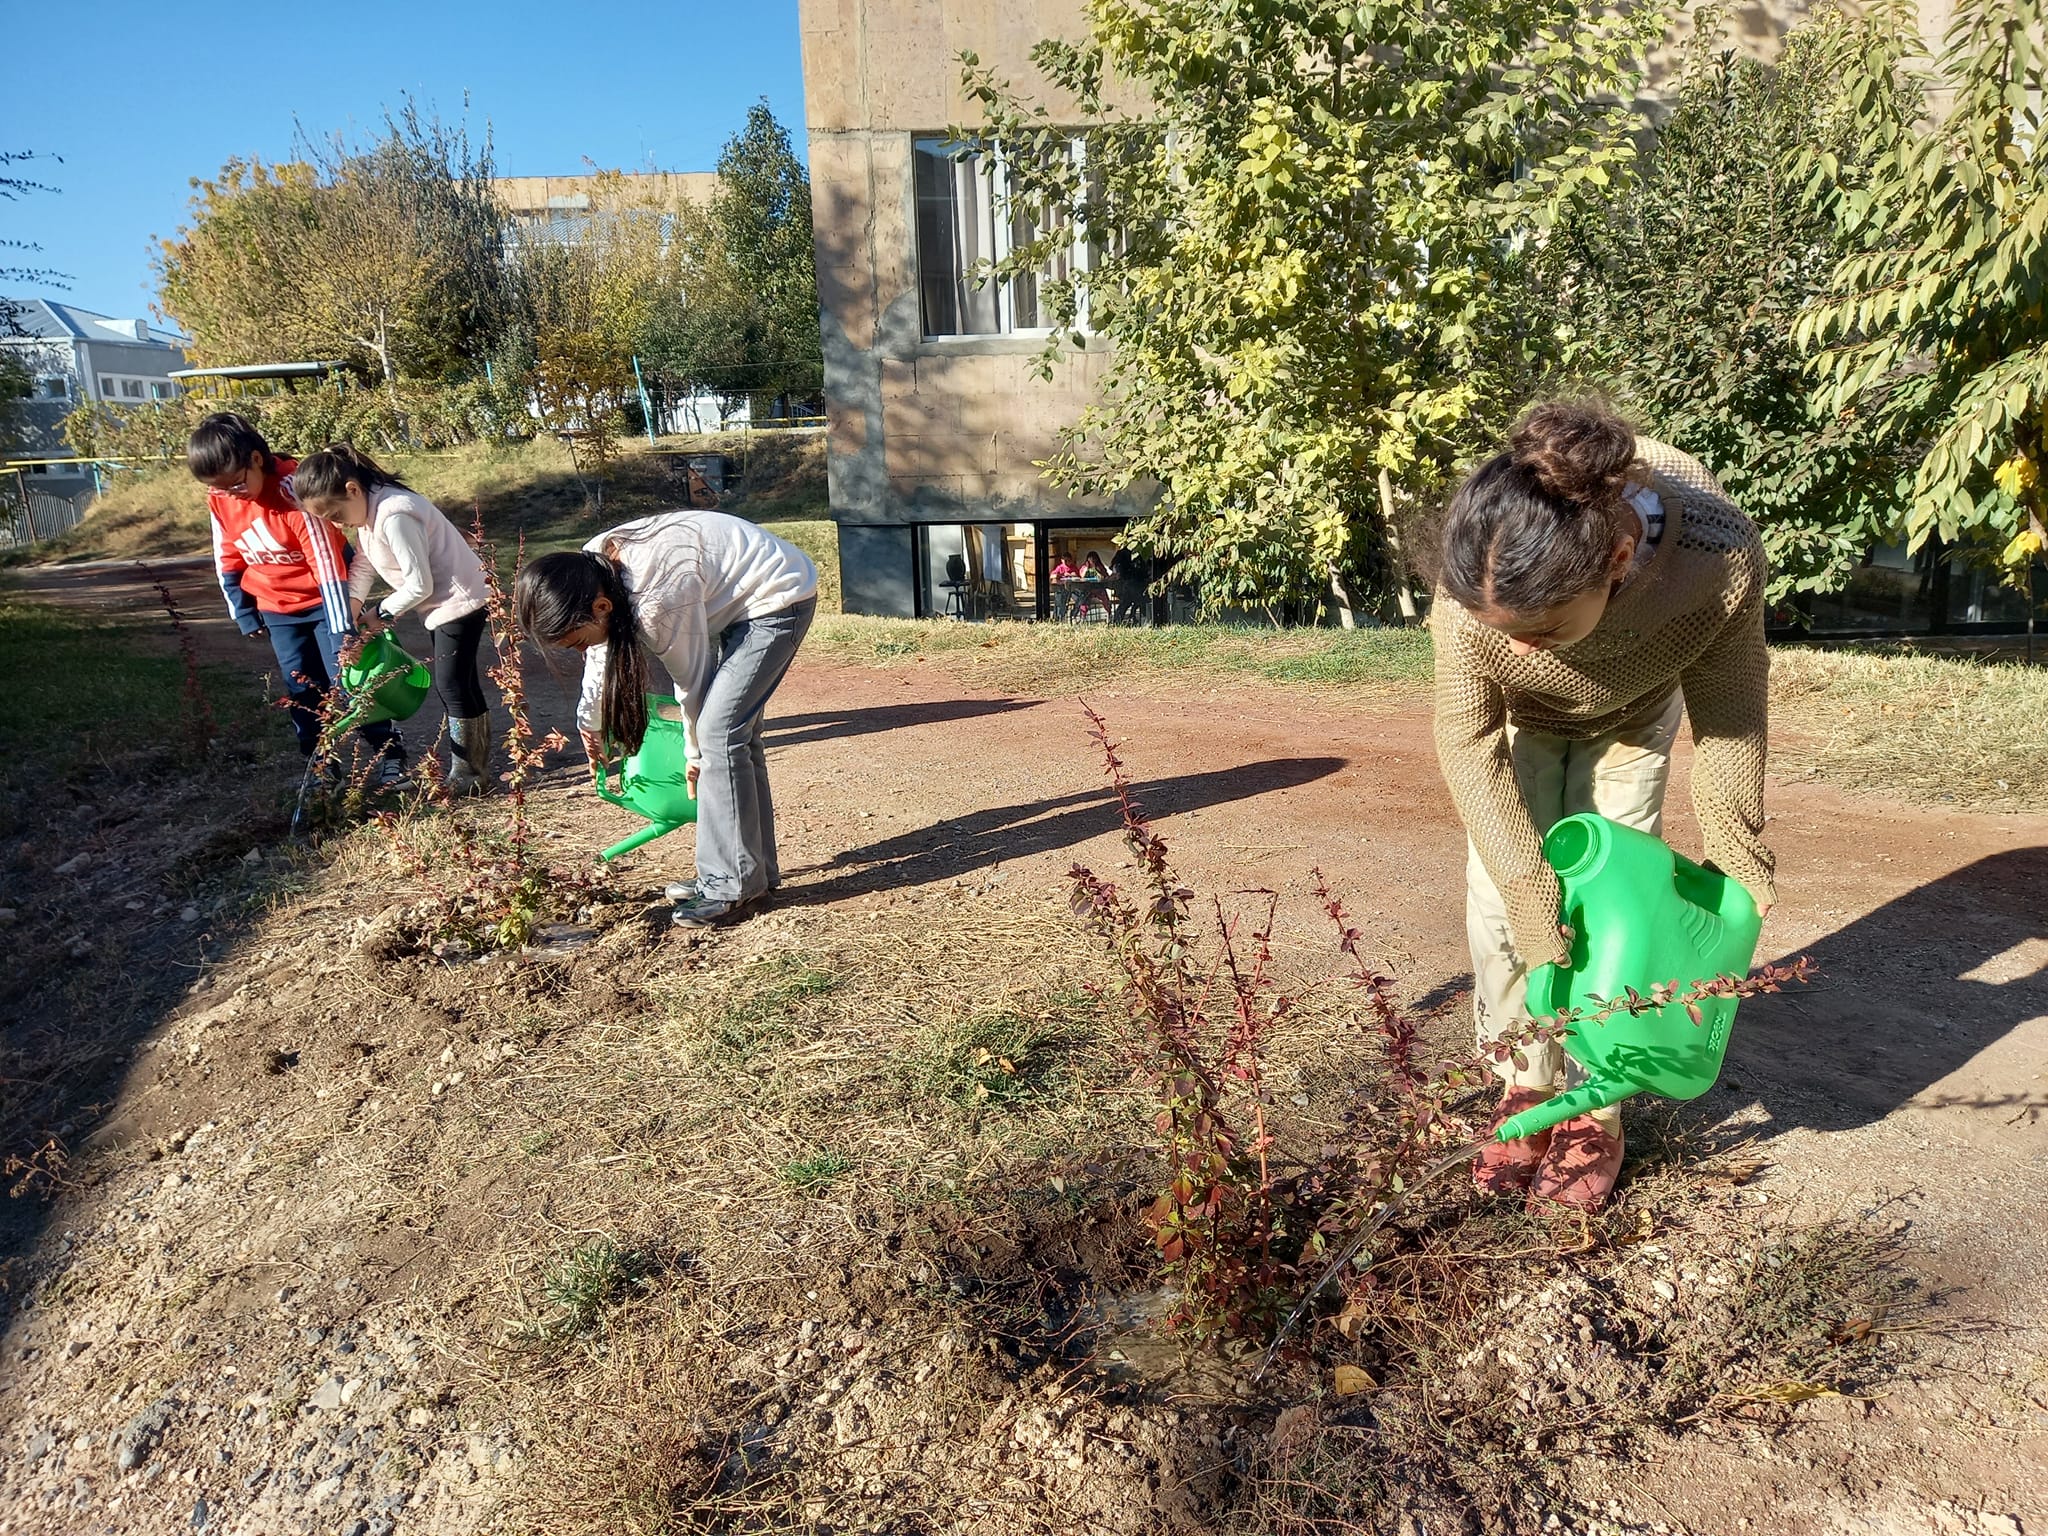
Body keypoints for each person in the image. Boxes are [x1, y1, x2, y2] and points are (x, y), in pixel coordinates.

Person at [1431, 400, 1773, 1211]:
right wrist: (1524, 885)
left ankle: (1596, 1108)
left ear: (1619, 558)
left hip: (1634, 716)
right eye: (1499, 629)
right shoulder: (1478, 577)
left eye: (1541, 630)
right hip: (1518, 725)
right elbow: (1467, 741)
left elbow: (1730, 718)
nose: (1514, 647)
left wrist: (1736, 862)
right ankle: (1525, 1082)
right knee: (1501, 905)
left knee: (1619, 915)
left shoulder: (1717, 559)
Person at [515, 510, 818, 928]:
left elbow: (692, 684)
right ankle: (751, 874)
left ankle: (730, 887)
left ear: (602, 607)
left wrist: (694, 756)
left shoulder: (655, 601)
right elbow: (601, 652)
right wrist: (590, 723)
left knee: (719, 735)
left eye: (577, 641)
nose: (580, 651)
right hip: (738, 596)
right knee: (736, 739)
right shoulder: (589, 570)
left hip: (778, 596)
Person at [188, 412, 405, 788]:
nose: (230, 494)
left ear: (256, 459)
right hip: (278, 610)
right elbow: (226, 550)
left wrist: (342, 629)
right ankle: (322, 765)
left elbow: (327, 563)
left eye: (237, 484)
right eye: (221, 489)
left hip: (329, 602)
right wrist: (243, 609)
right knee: (301, 687)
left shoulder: (293, 491)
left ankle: (389, 754)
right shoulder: (220, 498)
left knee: (349, 680)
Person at [294, 444, 496, 795]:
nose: (336, 524)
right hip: (444, 604)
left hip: (460, 601)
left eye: (335, 516)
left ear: (352, 489)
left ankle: (468, 775)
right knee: (459, 684)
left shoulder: (394, 513)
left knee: (452, 686)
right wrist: (351, 609)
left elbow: (420, 584)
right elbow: (364, 564)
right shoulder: (370, 511)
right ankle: (473, 772)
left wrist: (376, 617)